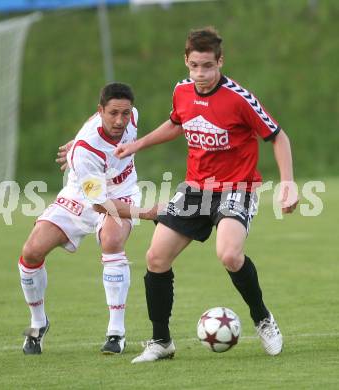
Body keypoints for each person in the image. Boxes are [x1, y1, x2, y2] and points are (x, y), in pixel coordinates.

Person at [114, 27, 299, 363]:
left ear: (220, 62)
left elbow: (278, 136)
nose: (200, 73)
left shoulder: (239, 98)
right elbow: (176, 123)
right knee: (156, 258)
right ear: (186, 61)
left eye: (207, 66)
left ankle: (263, 319)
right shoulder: (182, 91)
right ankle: (161, 342)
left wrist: (287, 183)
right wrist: (139, 144)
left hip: (236, 188)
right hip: (196, 189)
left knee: (228, 254)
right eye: (194, 66)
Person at [18, 82, 157, 355]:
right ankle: (38, 324)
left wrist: (78, 136)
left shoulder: (132, 116)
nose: (120, 121)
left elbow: (102, 120)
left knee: (112, 239)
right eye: (113, 113)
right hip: (84, 196)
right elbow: (101, 204)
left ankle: (116, 332)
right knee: (31, 252)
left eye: (125, 113)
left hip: (122, 190)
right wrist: (148, 213)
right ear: (101, 111)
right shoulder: (85, 152)